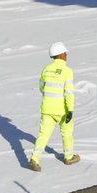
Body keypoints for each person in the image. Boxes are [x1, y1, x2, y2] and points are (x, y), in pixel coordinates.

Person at [30, 42, 80, 172]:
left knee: (43, 134)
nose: (67, 54)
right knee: (67, 134)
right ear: (62, 55)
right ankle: (69, 157)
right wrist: (70, 110)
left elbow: (42, 87)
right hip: (62, 110)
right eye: (65, 53)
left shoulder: (46, 69)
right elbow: (69, 92)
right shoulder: (67, 71)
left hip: (47, 108)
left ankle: (35, 158)